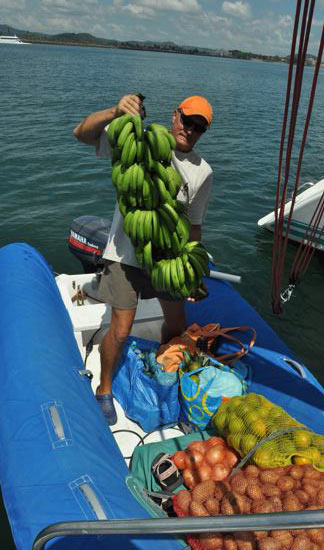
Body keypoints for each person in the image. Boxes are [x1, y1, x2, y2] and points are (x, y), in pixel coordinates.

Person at [73, 93, 213, 425]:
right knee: (120, 330)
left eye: (199, 127)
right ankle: (104, 389)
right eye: (186, 120)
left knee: (177, 324)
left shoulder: (202, 172)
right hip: (124, 255)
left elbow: (194, 226)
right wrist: (114, 111)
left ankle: (165, 370)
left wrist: (191, 272)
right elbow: (81, 133)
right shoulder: (140, 141)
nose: (189, 130)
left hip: (167, 259)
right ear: (174, 115)